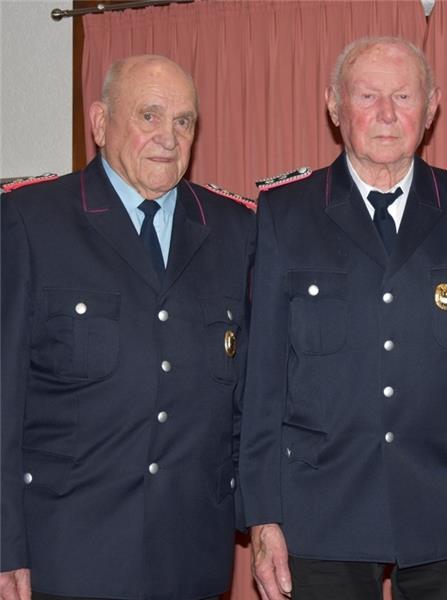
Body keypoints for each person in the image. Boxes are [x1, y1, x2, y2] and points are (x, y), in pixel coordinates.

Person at [239, 37, 447, 600]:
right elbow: (262, 381)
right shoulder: (285, 212)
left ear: (431, 107)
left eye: (403, 96)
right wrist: (262, 515)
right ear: (333, 104)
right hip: (320, 505)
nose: (385, 114)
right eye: (367, 95)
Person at [1, 55, 255, 599]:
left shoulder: (235, 230)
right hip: (66, 557)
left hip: (190, 557)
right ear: (99, 123)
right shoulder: (30, 222)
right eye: (149, 116)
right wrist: (3, 547)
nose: (168, 137)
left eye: (184, 121)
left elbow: (245, 402)